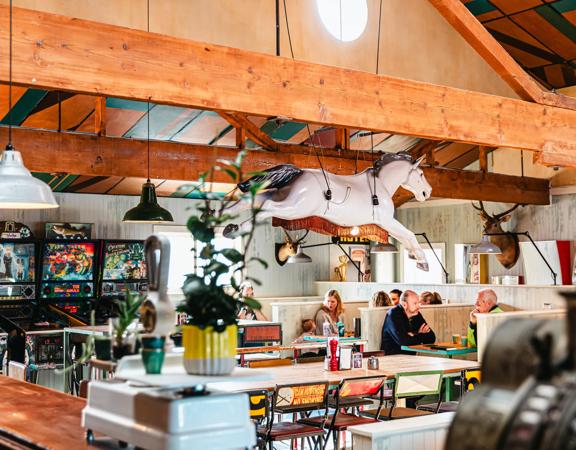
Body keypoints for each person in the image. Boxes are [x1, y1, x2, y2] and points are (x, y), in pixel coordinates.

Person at [380, 290, 436, 355]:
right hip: (393, 359)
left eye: (418, 303)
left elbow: (432, 337)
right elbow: (404, 342)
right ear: (404, 304)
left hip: (410, 358)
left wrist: (414, 335)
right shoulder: (393, 314)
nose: (418, 306)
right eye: (415, 303)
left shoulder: (416, 314)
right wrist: (419, 334)